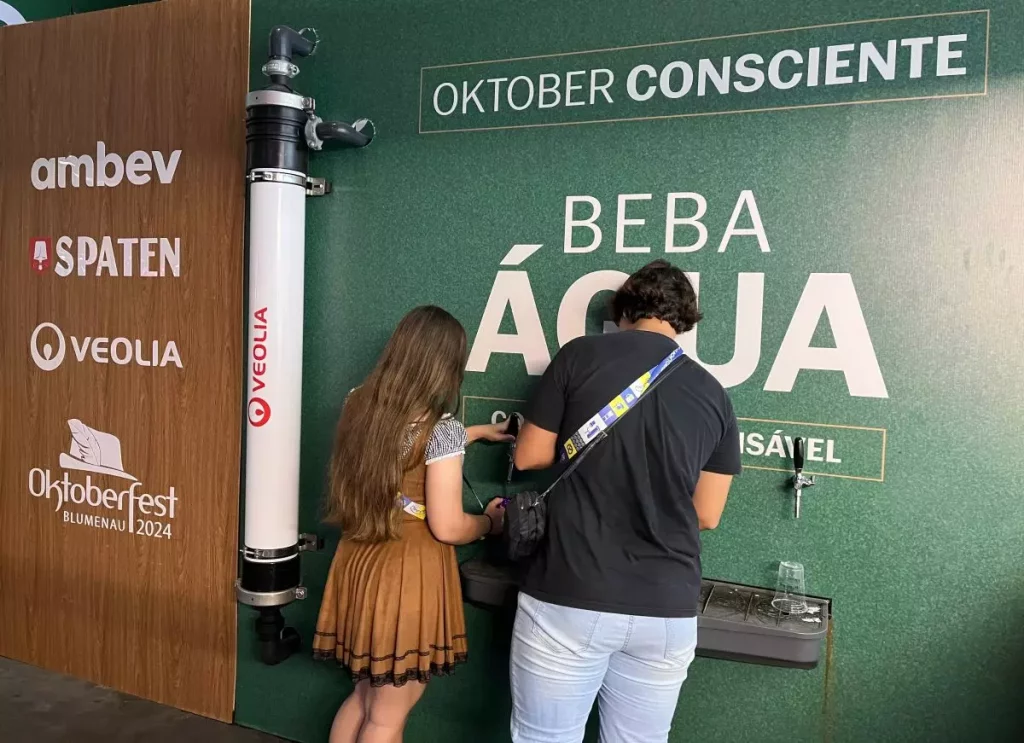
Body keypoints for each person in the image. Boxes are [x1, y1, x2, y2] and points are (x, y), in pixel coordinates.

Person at [509, 259, 741, 743]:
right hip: (666, 607)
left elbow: (530, 456)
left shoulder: (578, 357)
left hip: (569, 593)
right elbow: (708, 514)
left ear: (624, 309)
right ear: (685, 318)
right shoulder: (714, 394)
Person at [313, 305, 509, 743]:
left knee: (365, 698)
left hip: (359, 562)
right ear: (445, 366)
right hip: (406, 577)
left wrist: (469, 433)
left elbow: (400, 447)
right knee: (388, 715)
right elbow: (449, 527)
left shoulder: (357, 402)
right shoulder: (442, 430)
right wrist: (491, 523)